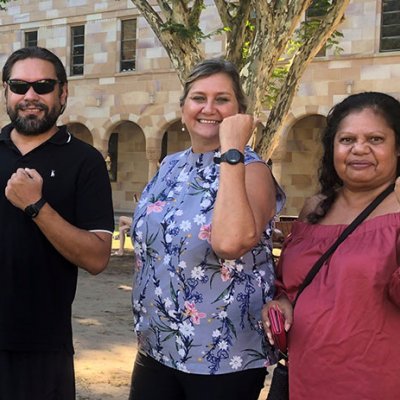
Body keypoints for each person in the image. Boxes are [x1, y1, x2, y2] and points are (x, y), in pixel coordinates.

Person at [128, 58, 285, 400]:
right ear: (183, 108)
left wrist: (232, 149)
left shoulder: (252, 170)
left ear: (240, 112)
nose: (209, 108)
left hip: (222, 356)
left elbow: (230, 243)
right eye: (198, 98)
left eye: (222, 99)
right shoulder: (170, 165)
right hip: (158, 344)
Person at [262, 91, 400, 400]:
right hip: (302, 378)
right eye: (347, 140)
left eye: (375, 139)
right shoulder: (316, 206)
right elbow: (291, 282)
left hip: (374, 383)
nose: (359, 149)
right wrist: (282, 304)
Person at [0, 46, 114, 399]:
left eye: (43, 86)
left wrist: (36, 206)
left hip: (42, 348)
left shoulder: (85, 160)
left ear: (62, 93)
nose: (30, 96)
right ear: (5, 90)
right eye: (19, 86)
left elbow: (97, 258)